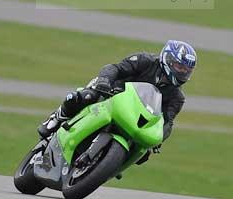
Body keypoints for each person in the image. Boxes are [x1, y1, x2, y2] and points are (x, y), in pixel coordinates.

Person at [38, 40, 197, 147]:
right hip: (110, 93)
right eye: (179, 67)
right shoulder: (145, 60)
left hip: (133, 116)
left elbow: (167, 121)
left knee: (142, 150)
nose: (182, 72)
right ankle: (58, 116)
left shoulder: (177, 98)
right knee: (86, 96)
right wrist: (104, 81)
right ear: (168, 59)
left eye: (186, 70)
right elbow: (115, 68)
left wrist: (159, 138)